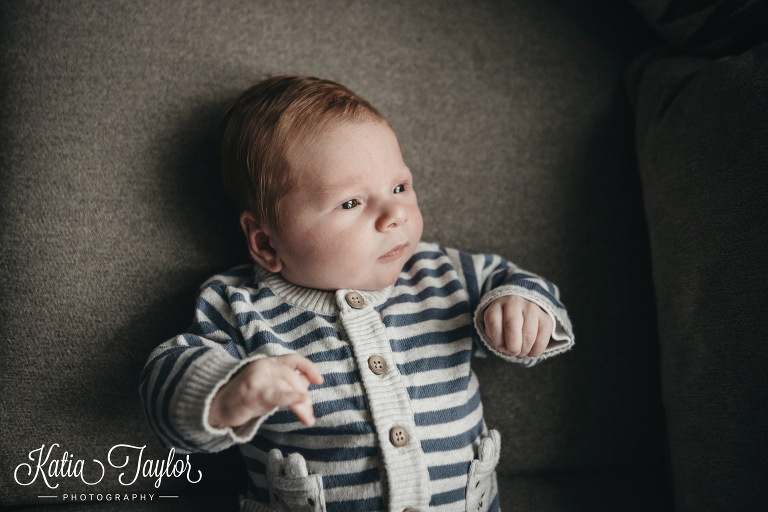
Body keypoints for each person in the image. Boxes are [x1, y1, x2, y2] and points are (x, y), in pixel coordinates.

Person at [140, 75, 574, 512]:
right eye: (351, 203)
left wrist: (523, 304)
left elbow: (517, 282)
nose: (394, 215)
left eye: (399, 188)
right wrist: (227, 393)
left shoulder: (445, 275)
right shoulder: (239, 307)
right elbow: (164, 380)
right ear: (267, 243)